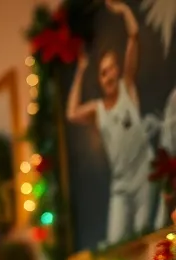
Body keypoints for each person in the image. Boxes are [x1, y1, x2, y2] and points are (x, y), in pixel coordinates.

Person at [68, 0, 156, 245]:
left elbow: (134, 36)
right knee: (115, 243)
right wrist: (81, 70)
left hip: (143, 175)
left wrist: (123, 10)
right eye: (103, 72)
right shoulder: (97, 109)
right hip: (120, 185)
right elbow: (72, 113)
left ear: (118, 70)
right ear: (100, 77)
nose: (108, 76)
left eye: (111, 69)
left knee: (146, 237)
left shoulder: (128, 88)